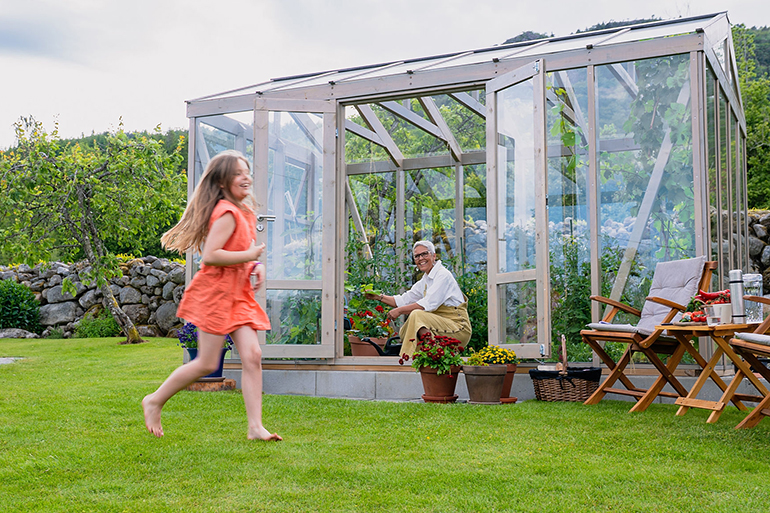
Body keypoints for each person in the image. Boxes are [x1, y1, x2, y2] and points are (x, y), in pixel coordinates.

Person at [142, 150, 281, 441]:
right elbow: (212, 256)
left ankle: (255, 428)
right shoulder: (227, 213)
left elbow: (237, 251)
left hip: (238, 294)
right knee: (206, 363)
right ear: (221, 182)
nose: (246, 178)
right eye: (238, 174)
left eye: (247, 172)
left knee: (253, 355)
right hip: (217, 294)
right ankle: (154, 400)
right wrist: (251, 254)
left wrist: (256, 265)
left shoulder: (244, 212)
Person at [366, 240, 471, 356]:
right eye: (417, 256)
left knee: (417, 315)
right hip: (441, 325)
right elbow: (403, 300)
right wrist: (378, 297)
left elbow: (428, 304)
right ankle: (429, 357)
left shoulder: (443, 275)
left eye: (424, 254)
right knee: (405, 329)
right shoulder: (426, 280)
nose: (421, 258)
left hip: (458, 327)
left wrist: (399, 311)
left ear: (434, 256)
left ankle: (421, 356)